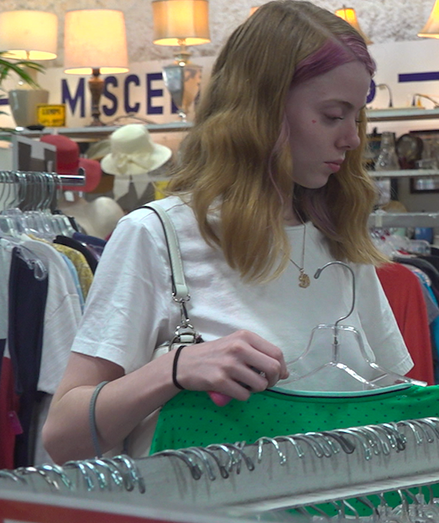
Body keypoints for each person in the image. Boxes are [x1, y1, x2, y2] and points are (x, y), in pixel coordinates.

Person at [43, 0, 412, 463]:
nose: (353, 139)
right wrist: (173, 370)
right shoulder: (157, 236)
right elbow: (62, 439)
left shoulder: (339, 241)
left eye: (357, 117)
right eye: (335, 115)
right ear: (263, 109)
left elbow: (393, 411)